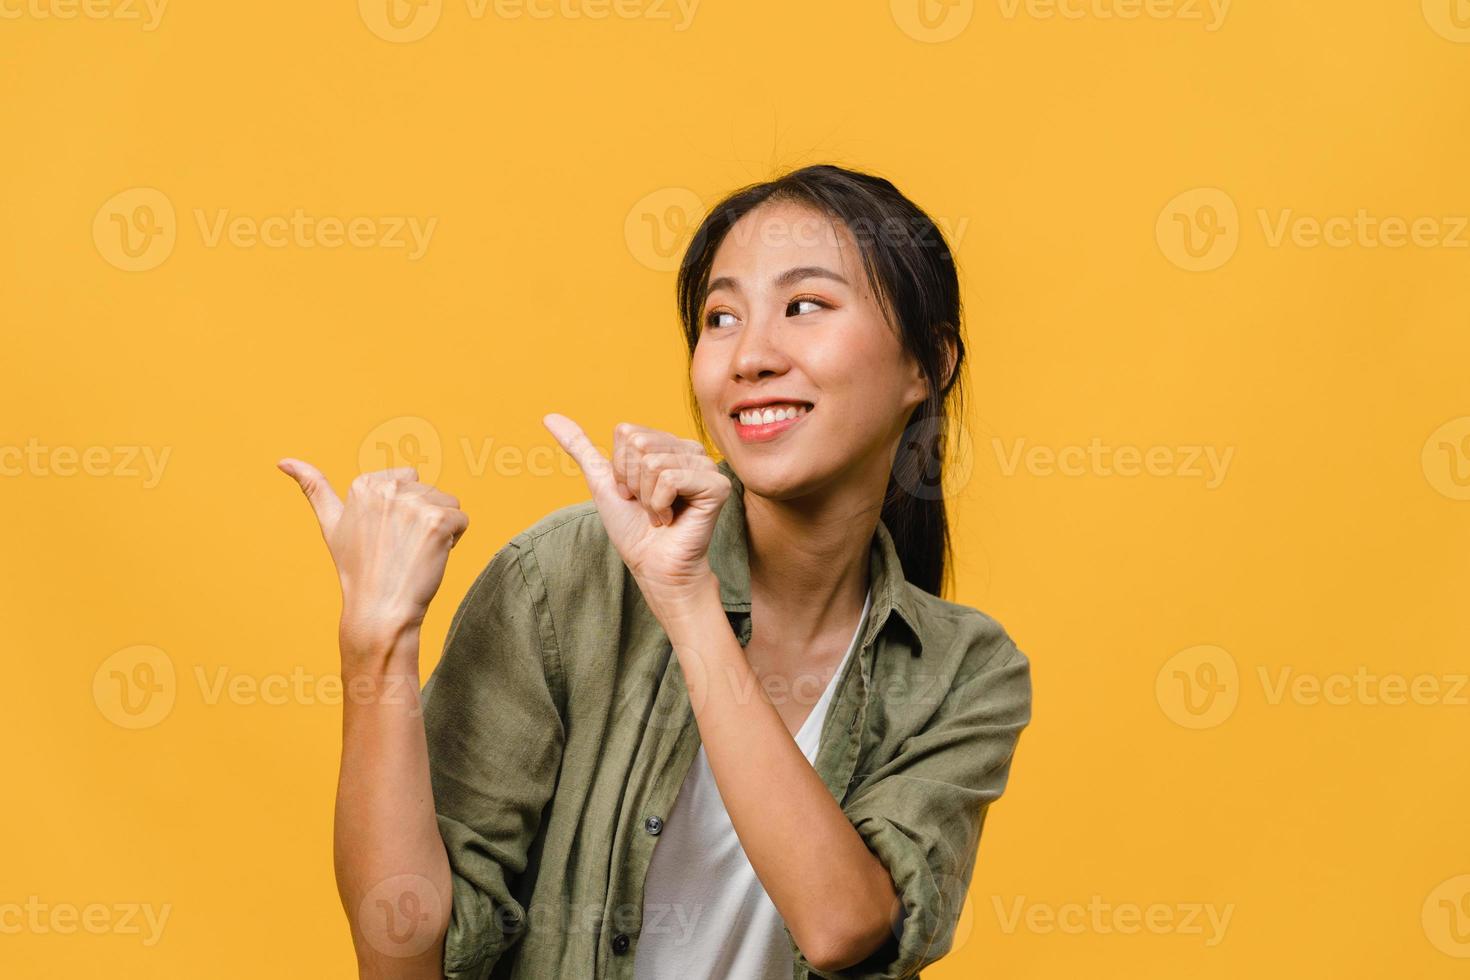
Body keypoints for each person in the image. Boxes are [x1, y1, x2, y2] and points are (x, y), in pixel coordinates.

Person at [278, 163, 1033, 979]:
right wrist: (375, 644)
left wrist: (688, 603)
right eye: (720, 316)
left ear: (928, 366)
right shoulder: (563, 580)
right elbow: (402, 955)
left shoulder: (966, 673)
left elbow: (842, 927)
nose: (750, 356)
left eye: (804, 306)